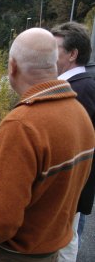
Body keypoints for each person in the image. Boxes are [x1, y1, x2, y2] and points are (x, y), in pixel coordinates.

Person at [0, 28, 94, 262]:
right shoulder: (79, 114)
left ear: (12, 66)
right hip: (48, 248)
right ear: (53, 66)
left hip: (9, 255)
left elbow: (0, 217)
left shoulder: (23, 125)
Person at [50, 21, 95, 261]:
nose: (49, 56)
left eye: (55, 49)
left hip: (69, 192)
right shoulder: (85, 85)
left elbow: (72, 146)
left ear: (72, 54)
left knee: (65, 245)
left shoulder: (76, 90)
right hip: (76, 189)